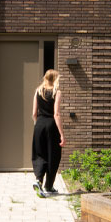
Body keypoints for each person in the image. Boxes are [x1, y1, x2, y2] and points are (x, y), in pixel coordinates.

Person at [31, 68, 64, 197]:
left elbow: (34, 113)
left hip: (39, 125)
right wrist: (61, 133)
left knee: (39, 154)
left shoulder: (38, 91)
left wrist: (38, 125)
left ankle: (38, 180)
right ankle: (49, 186)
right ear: (56, 79)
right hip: (51, 125)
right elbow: (56, 114)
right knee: (53, 155)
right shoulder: (57, 92)